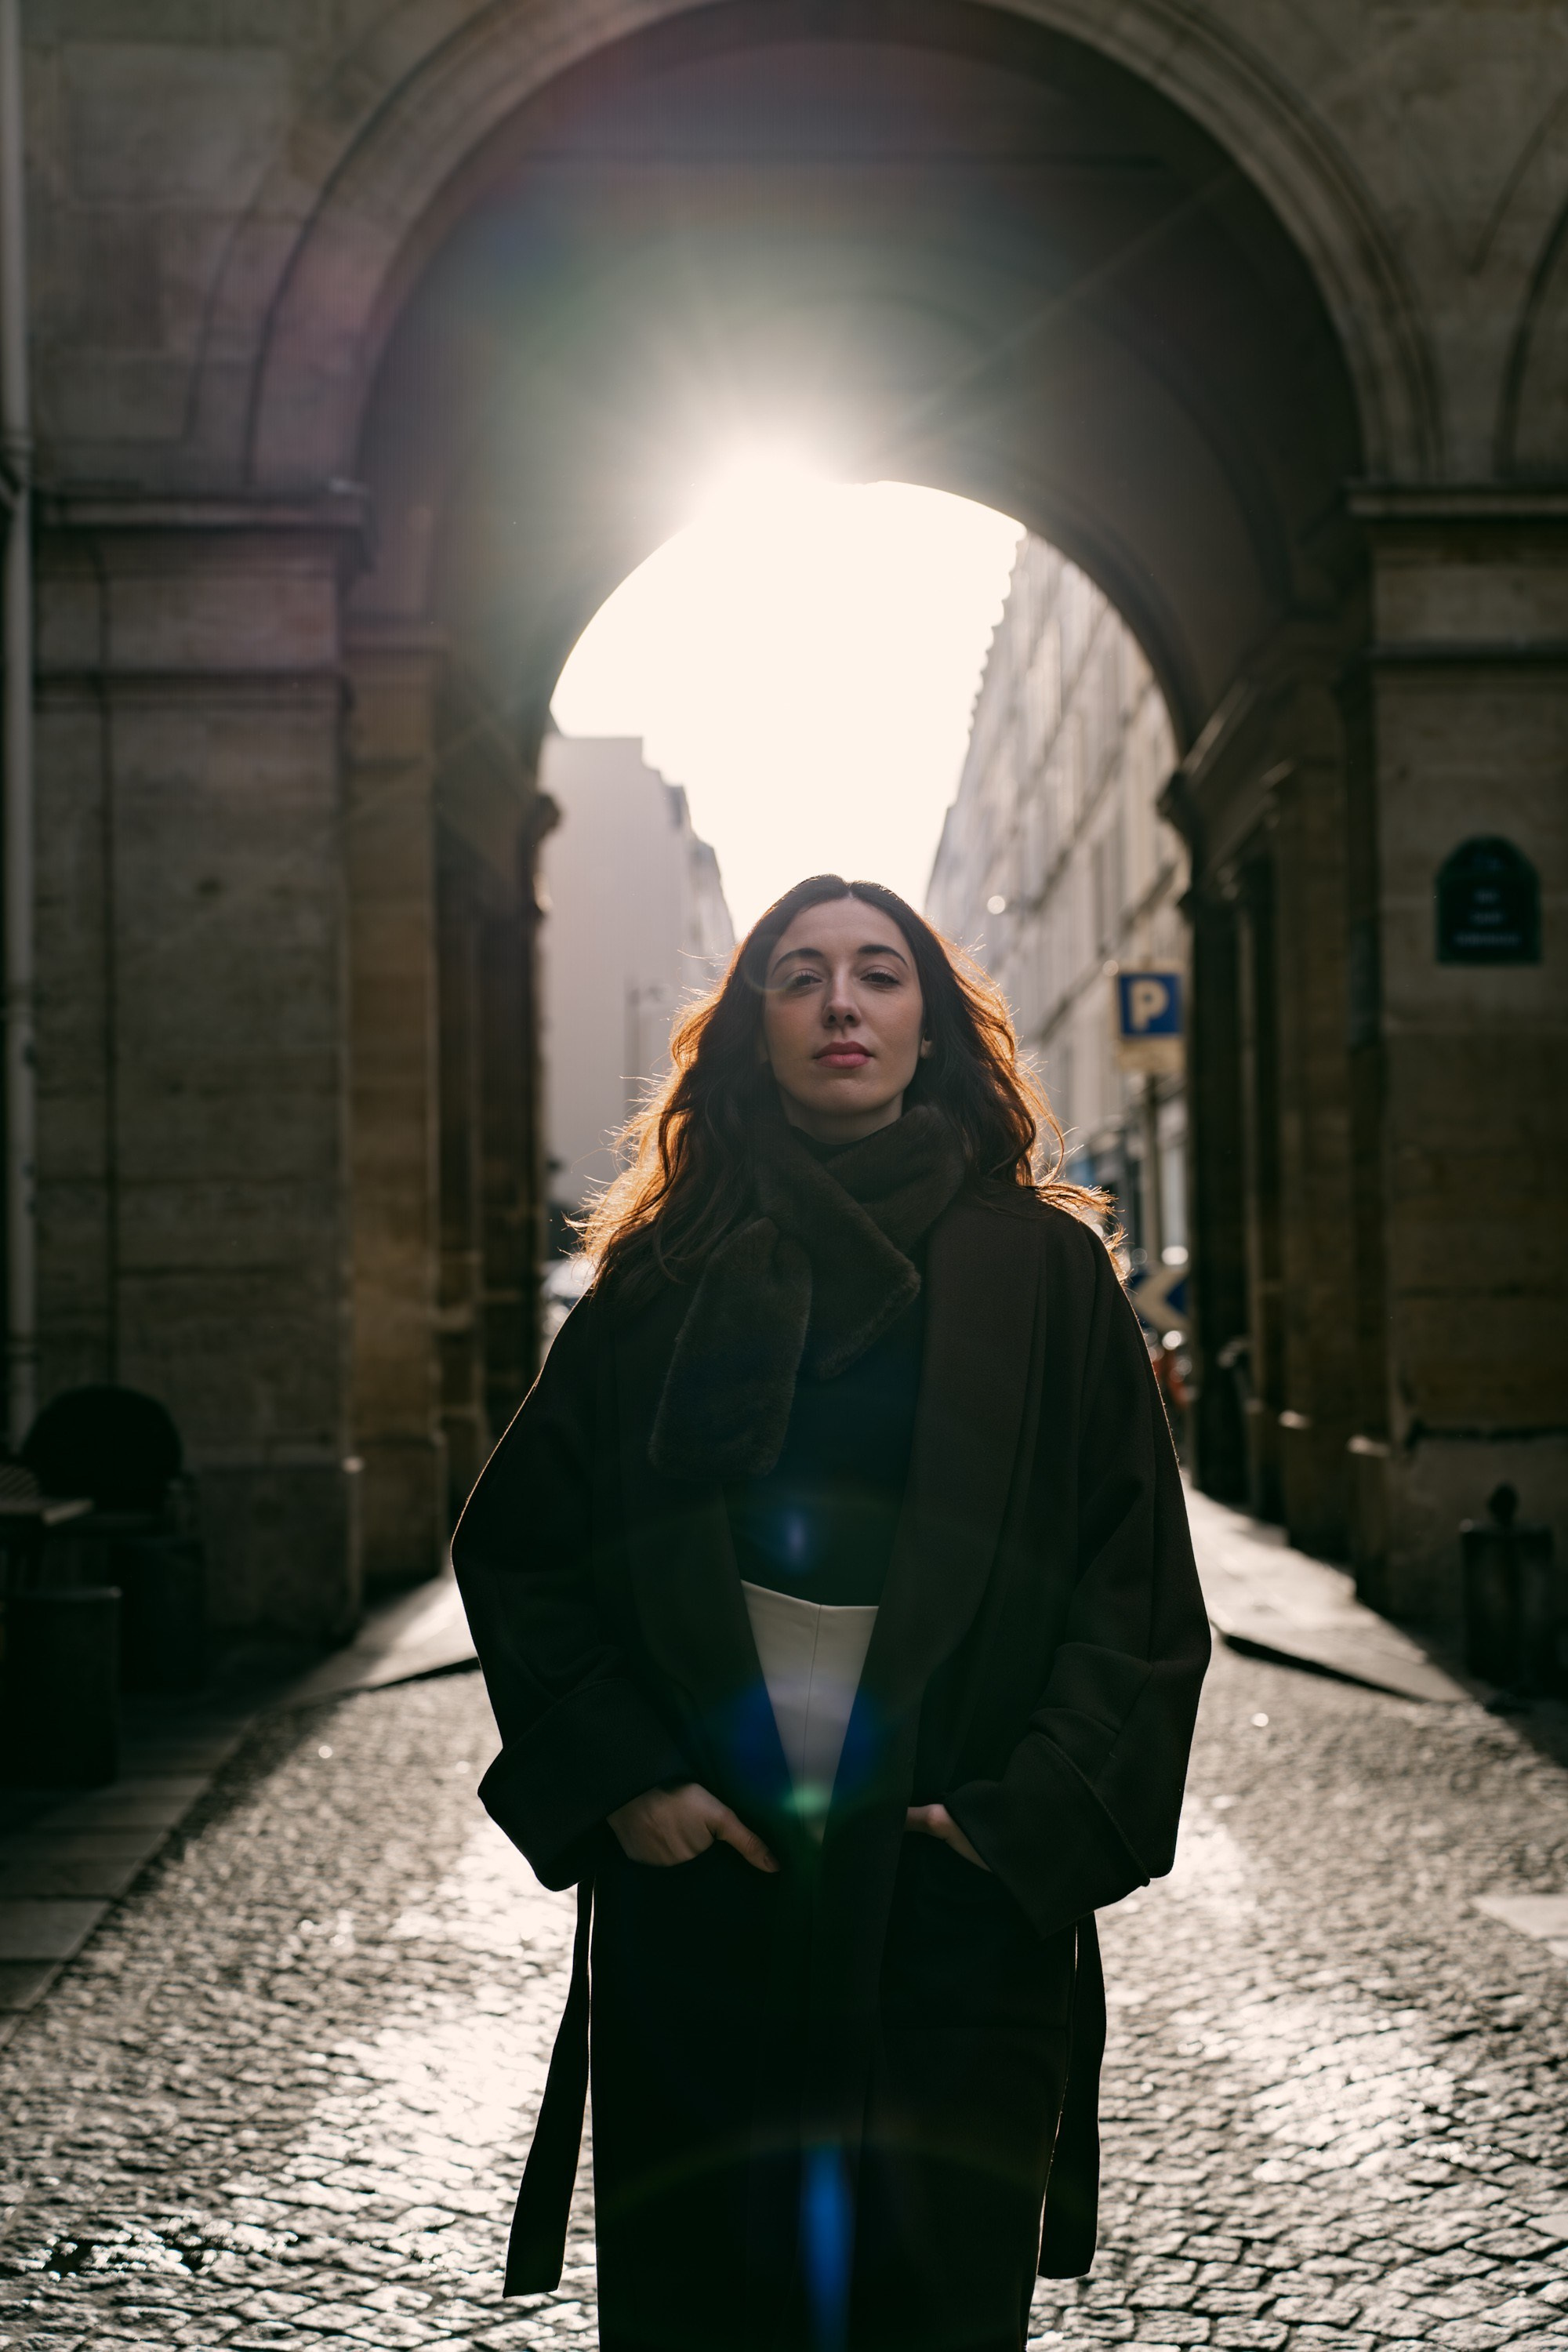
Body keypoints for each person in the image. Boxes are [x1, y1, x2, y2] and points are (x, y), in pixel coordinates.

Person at [454, 873, 1210, 2352]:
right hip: (708, 1868)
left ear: (932, 1028)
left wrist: (1018, 1820)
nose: (841, 1003)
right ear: (751, 1030)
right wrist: (630, 1784)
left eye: (879, 974)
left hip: (946, 1867)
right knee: (708, 2293)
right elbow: (524, 1544)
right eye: (798, 977)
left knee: (933, 2289)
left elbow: (1135, 1585)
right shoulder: (662, 1273)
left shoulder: (1043, 1267)